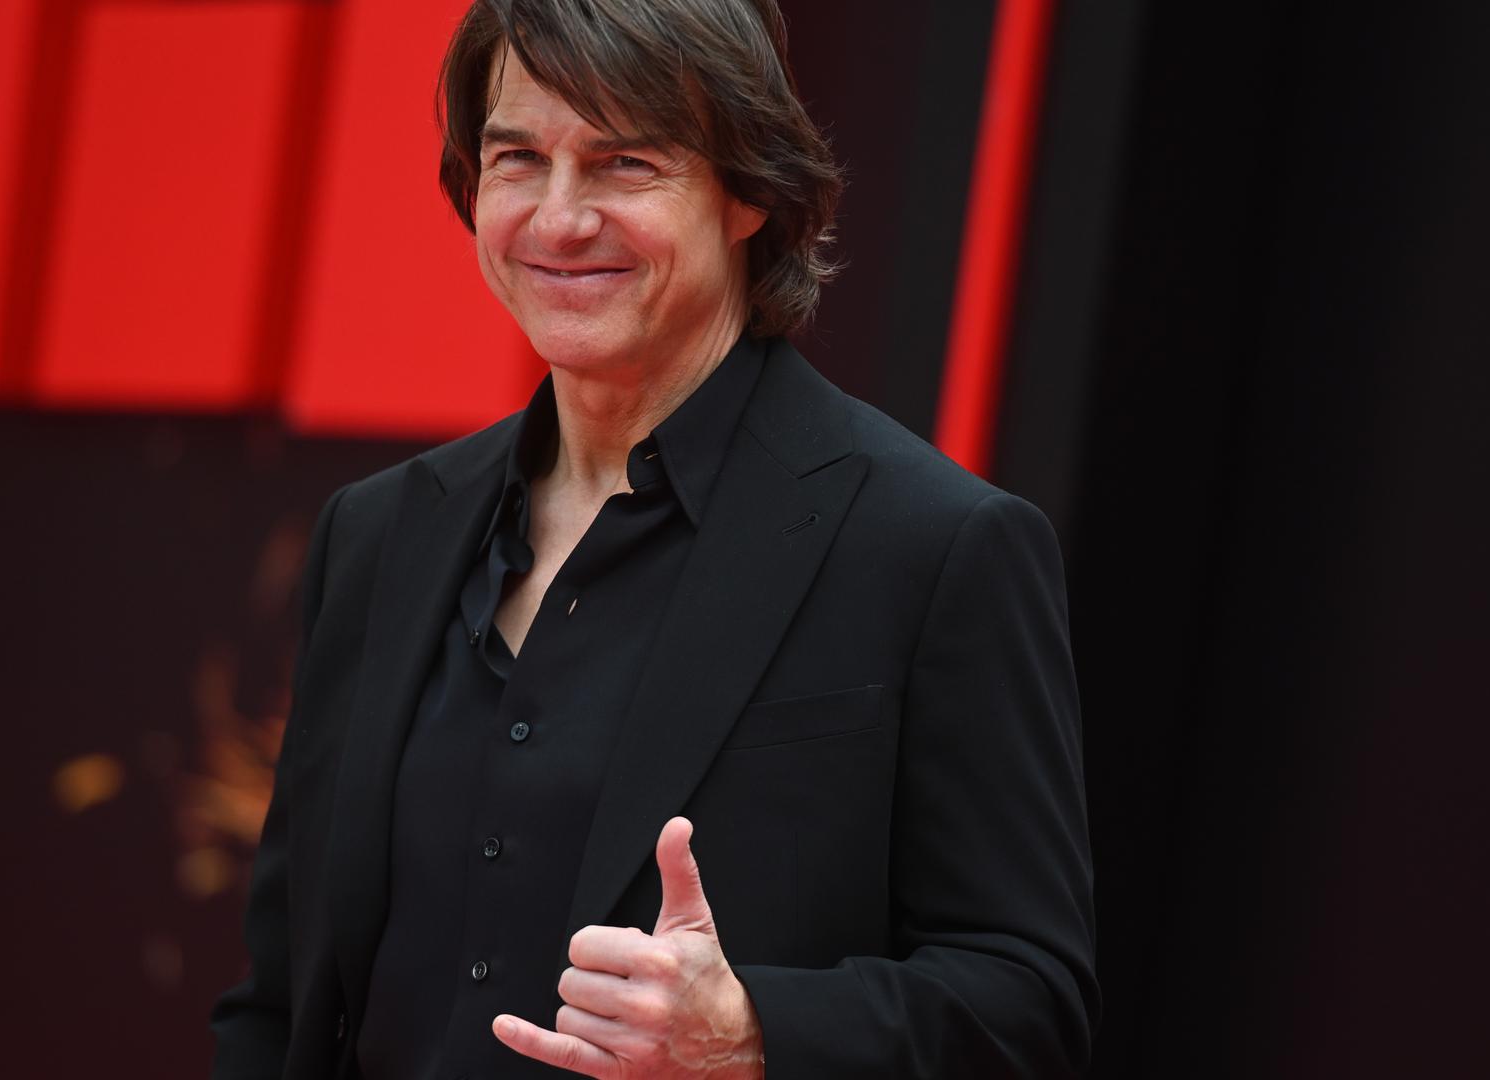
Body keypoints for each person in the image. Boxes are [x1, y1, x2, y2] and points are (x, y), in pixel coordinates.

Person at [210, 0, 1097, 1076]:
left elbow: (1029, 1004)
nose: (559, 219)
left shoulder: (935, 547)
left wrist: (752, 1033)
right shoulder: (380, 532)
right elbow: (282, 1001)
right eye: (518, 159)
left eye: (624, 162)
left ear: (749, 192)